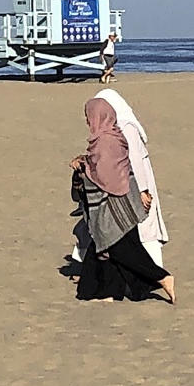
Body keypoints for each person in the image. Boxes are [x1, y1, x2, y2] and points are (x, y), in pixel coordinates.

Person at [70, 98, 176, 303]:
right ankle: (107, 291)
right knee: (106, 247)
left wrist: (83, 168)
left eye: (88, 116)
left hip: (115, 205)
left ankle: (161, 277)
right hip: (123, 201)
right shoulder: (112, 136)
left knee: (122, 249)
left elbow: (105, 176)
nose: (87, 120)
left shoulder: (105, 142)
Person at [95, 88, 169, 267]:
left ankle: (157, 271)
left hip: (136, 182)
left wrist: (143, 190)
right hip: (124, 180)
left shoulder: (126, 126)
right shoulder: (110, 127)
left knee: (145, 226)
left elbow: (135, 159)